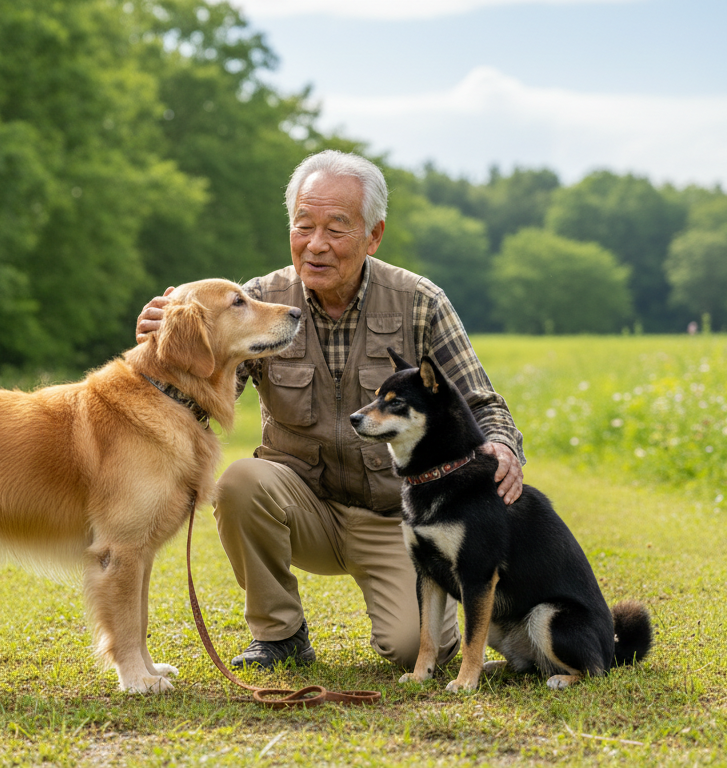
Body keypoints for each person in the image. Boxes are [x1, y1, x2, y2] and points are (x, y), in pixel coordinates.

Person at [135, 150, 524, 671]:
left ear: (374, 234)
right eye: (303, 226)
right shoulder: (255, 304)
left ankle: (437, 628)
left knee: (410, 649)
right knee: (241, 482)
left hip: (396, 517)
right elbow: (189, 396)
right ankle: (280, 635)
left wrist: (501, 445)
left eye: (336, 229)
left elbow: (483, 403)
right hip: (299, 505)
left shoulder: (420, 302)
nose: (315, 245)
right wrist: (162, 348)